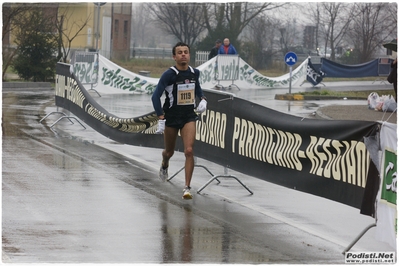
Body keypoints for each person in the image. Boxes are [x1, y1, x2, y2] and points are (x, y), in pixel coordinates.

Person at [151, 42, 207, 200]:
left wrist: (203, 99)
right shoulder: (169, 74)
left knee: (189, 151)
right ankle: (164, 163)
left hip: (188, 116)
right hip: (172, 117)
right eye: (180, 52)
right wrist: (160, 116)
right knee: (169, 151)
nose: (183, 54)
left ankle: (187, 188)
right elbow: (155, 96)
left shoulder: (194, 72)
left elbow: (198, 89)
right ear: (174, 56)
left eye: (186, 52)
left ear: (189, 55)